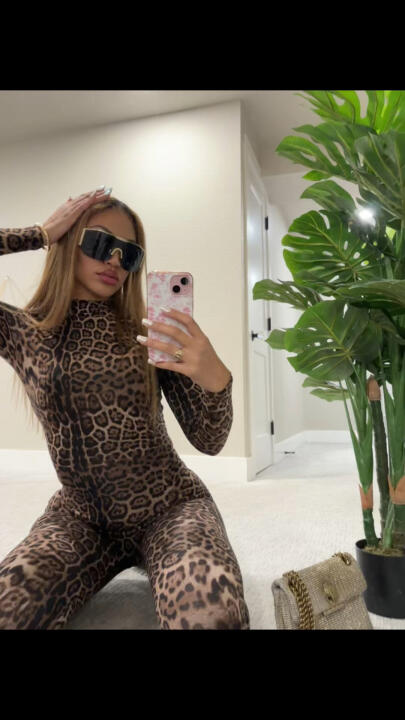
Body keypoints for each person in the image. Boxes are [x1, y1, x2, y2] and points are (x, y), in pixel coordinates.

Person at [0, 188, 250, 630]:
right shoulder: (26, 332)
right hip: (79, 518)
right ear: (67, 241)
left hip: (171, 507)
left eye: (129, 253)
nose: (115, 260)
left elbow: (210, 441)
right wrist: (38, 233)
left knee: (211, 618)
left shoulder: (149, 332)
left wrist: (215, 378)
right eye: (99, 242)